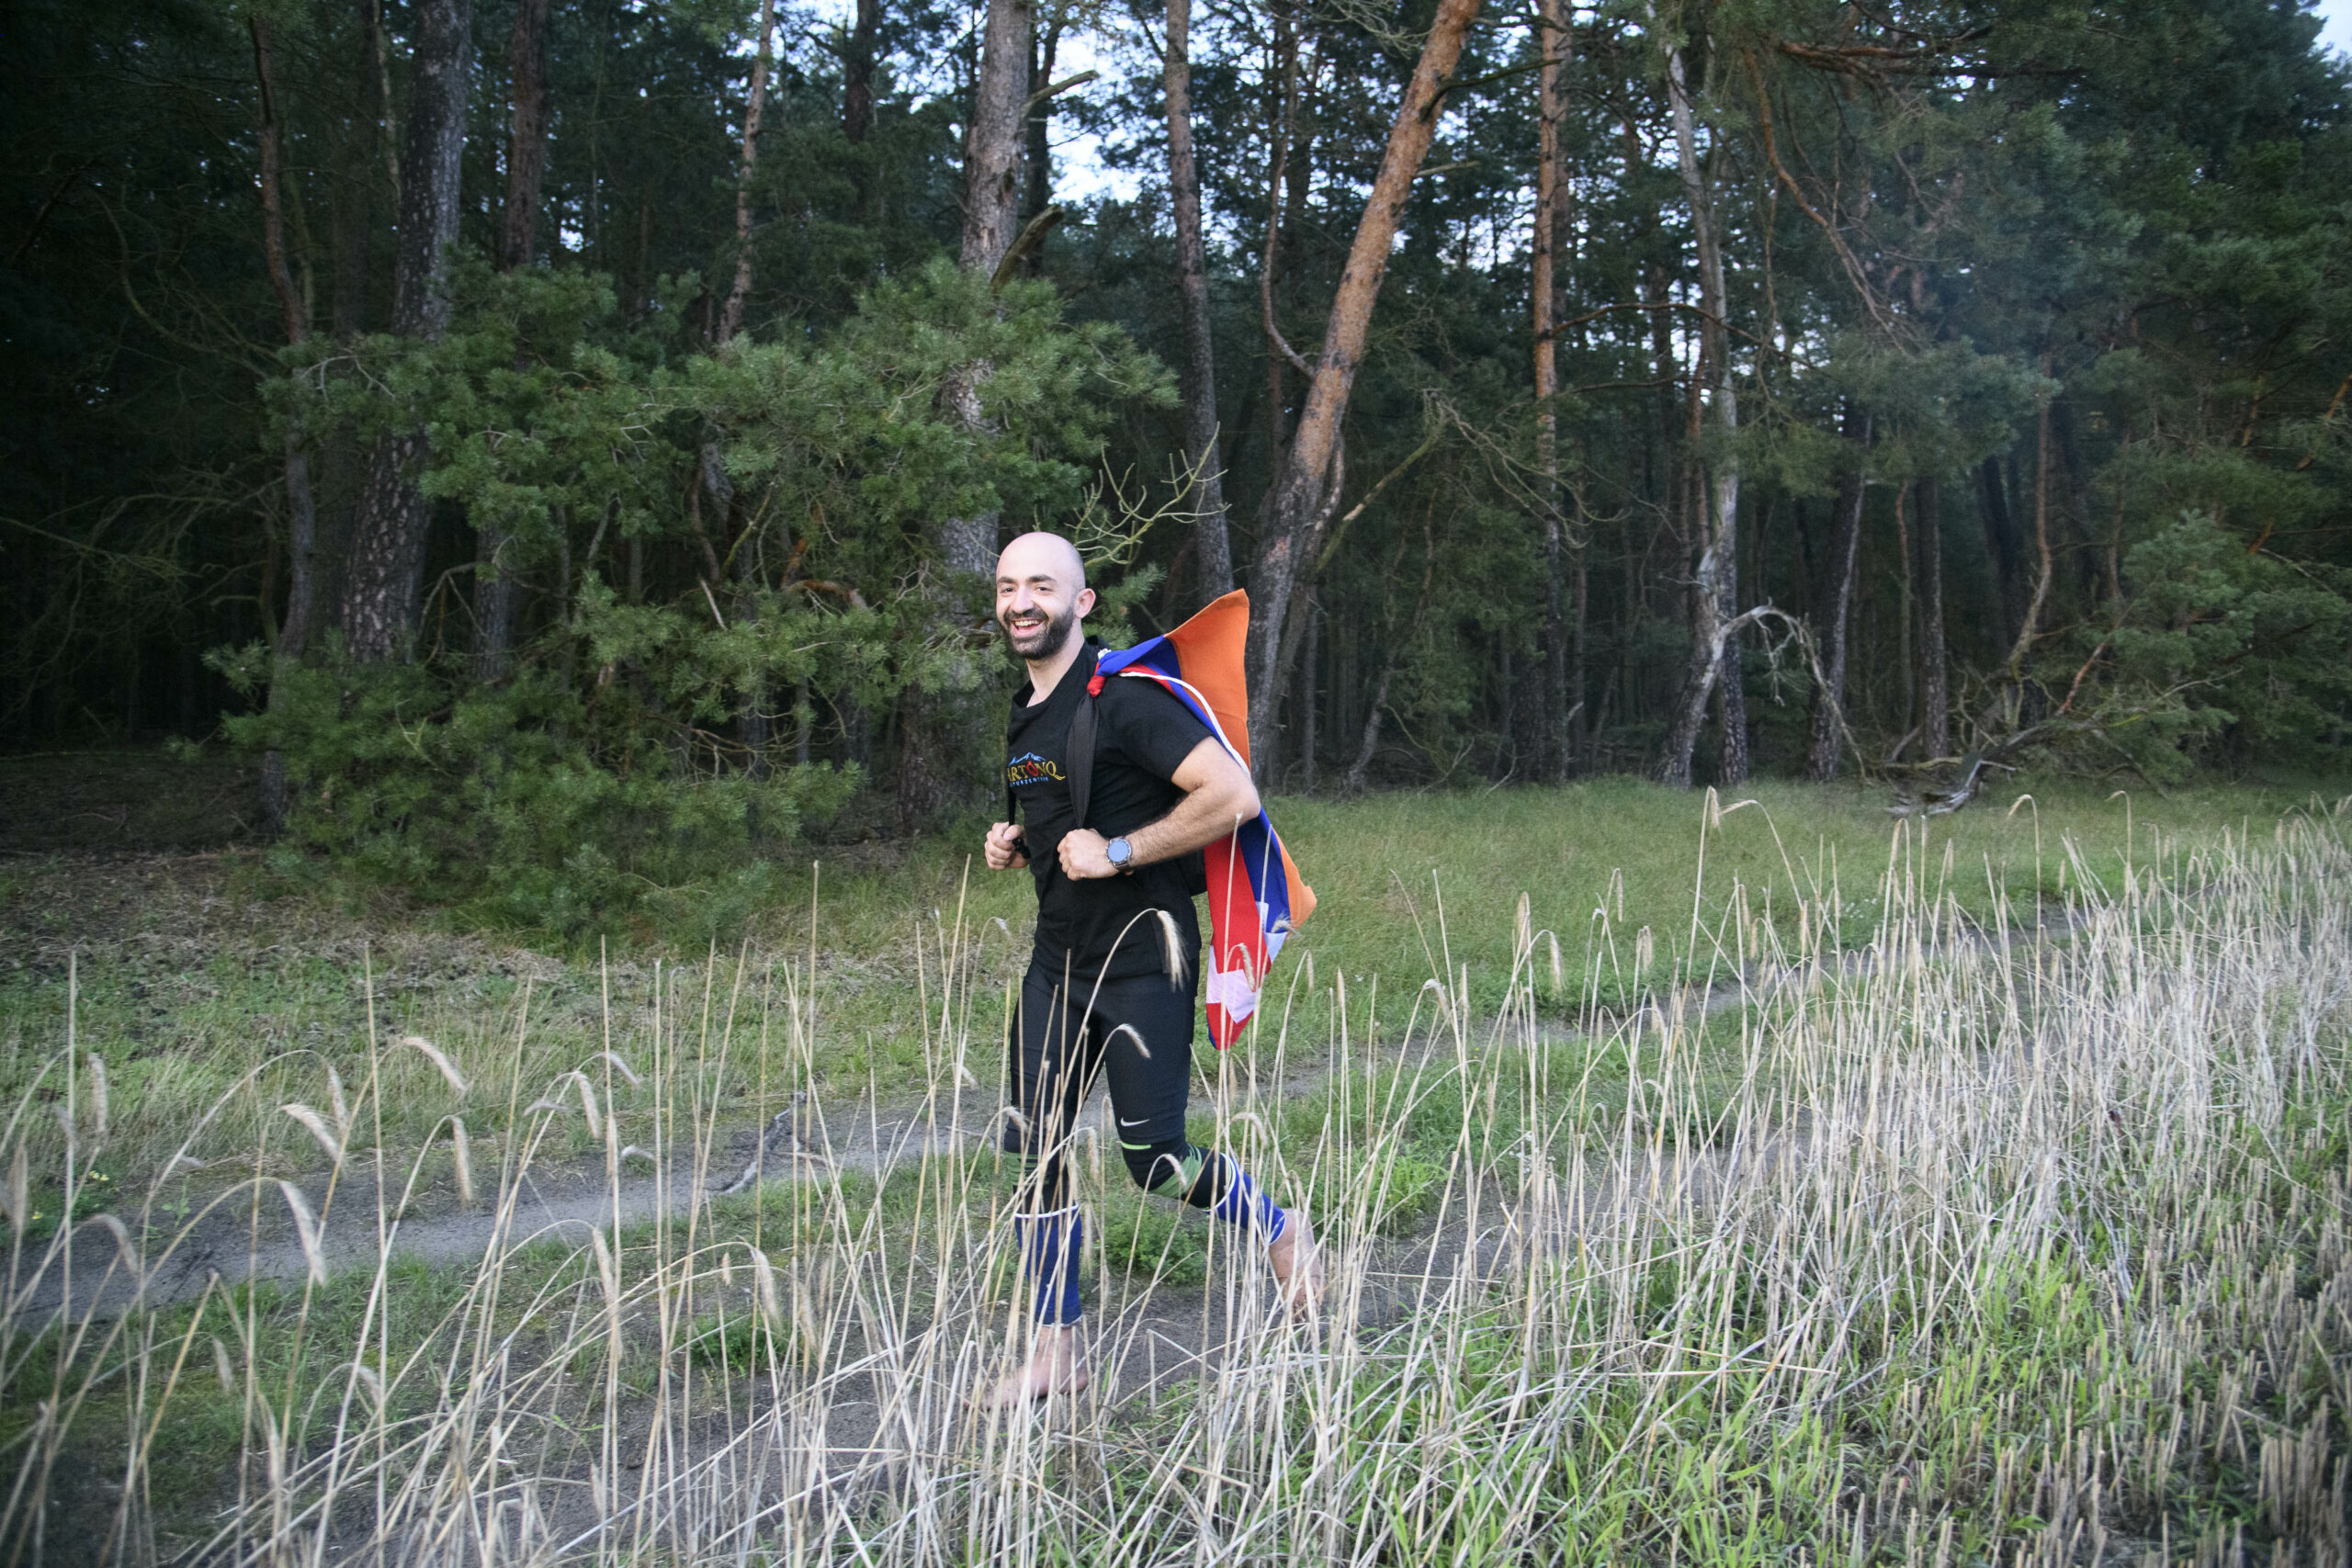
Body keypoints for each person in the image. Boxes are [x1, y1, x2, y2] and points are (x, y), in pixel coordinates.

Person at [983, 530, 1319, 1404]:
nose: (1023, 601)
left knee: (1156, 1161)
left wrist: (1125, 849)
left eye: (1042, 586)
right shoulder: (1026, 707)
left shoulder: (1125, 695)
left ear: (1081, 602)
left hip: (1144, 961)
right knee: (1034, 1150)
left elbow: (1231, 793)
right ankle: (1057, 1352)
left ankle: (1281, 1228)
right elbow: (1063, 804)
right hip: (1058, 963)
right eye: (1010, 585)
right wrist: (1018, 841)